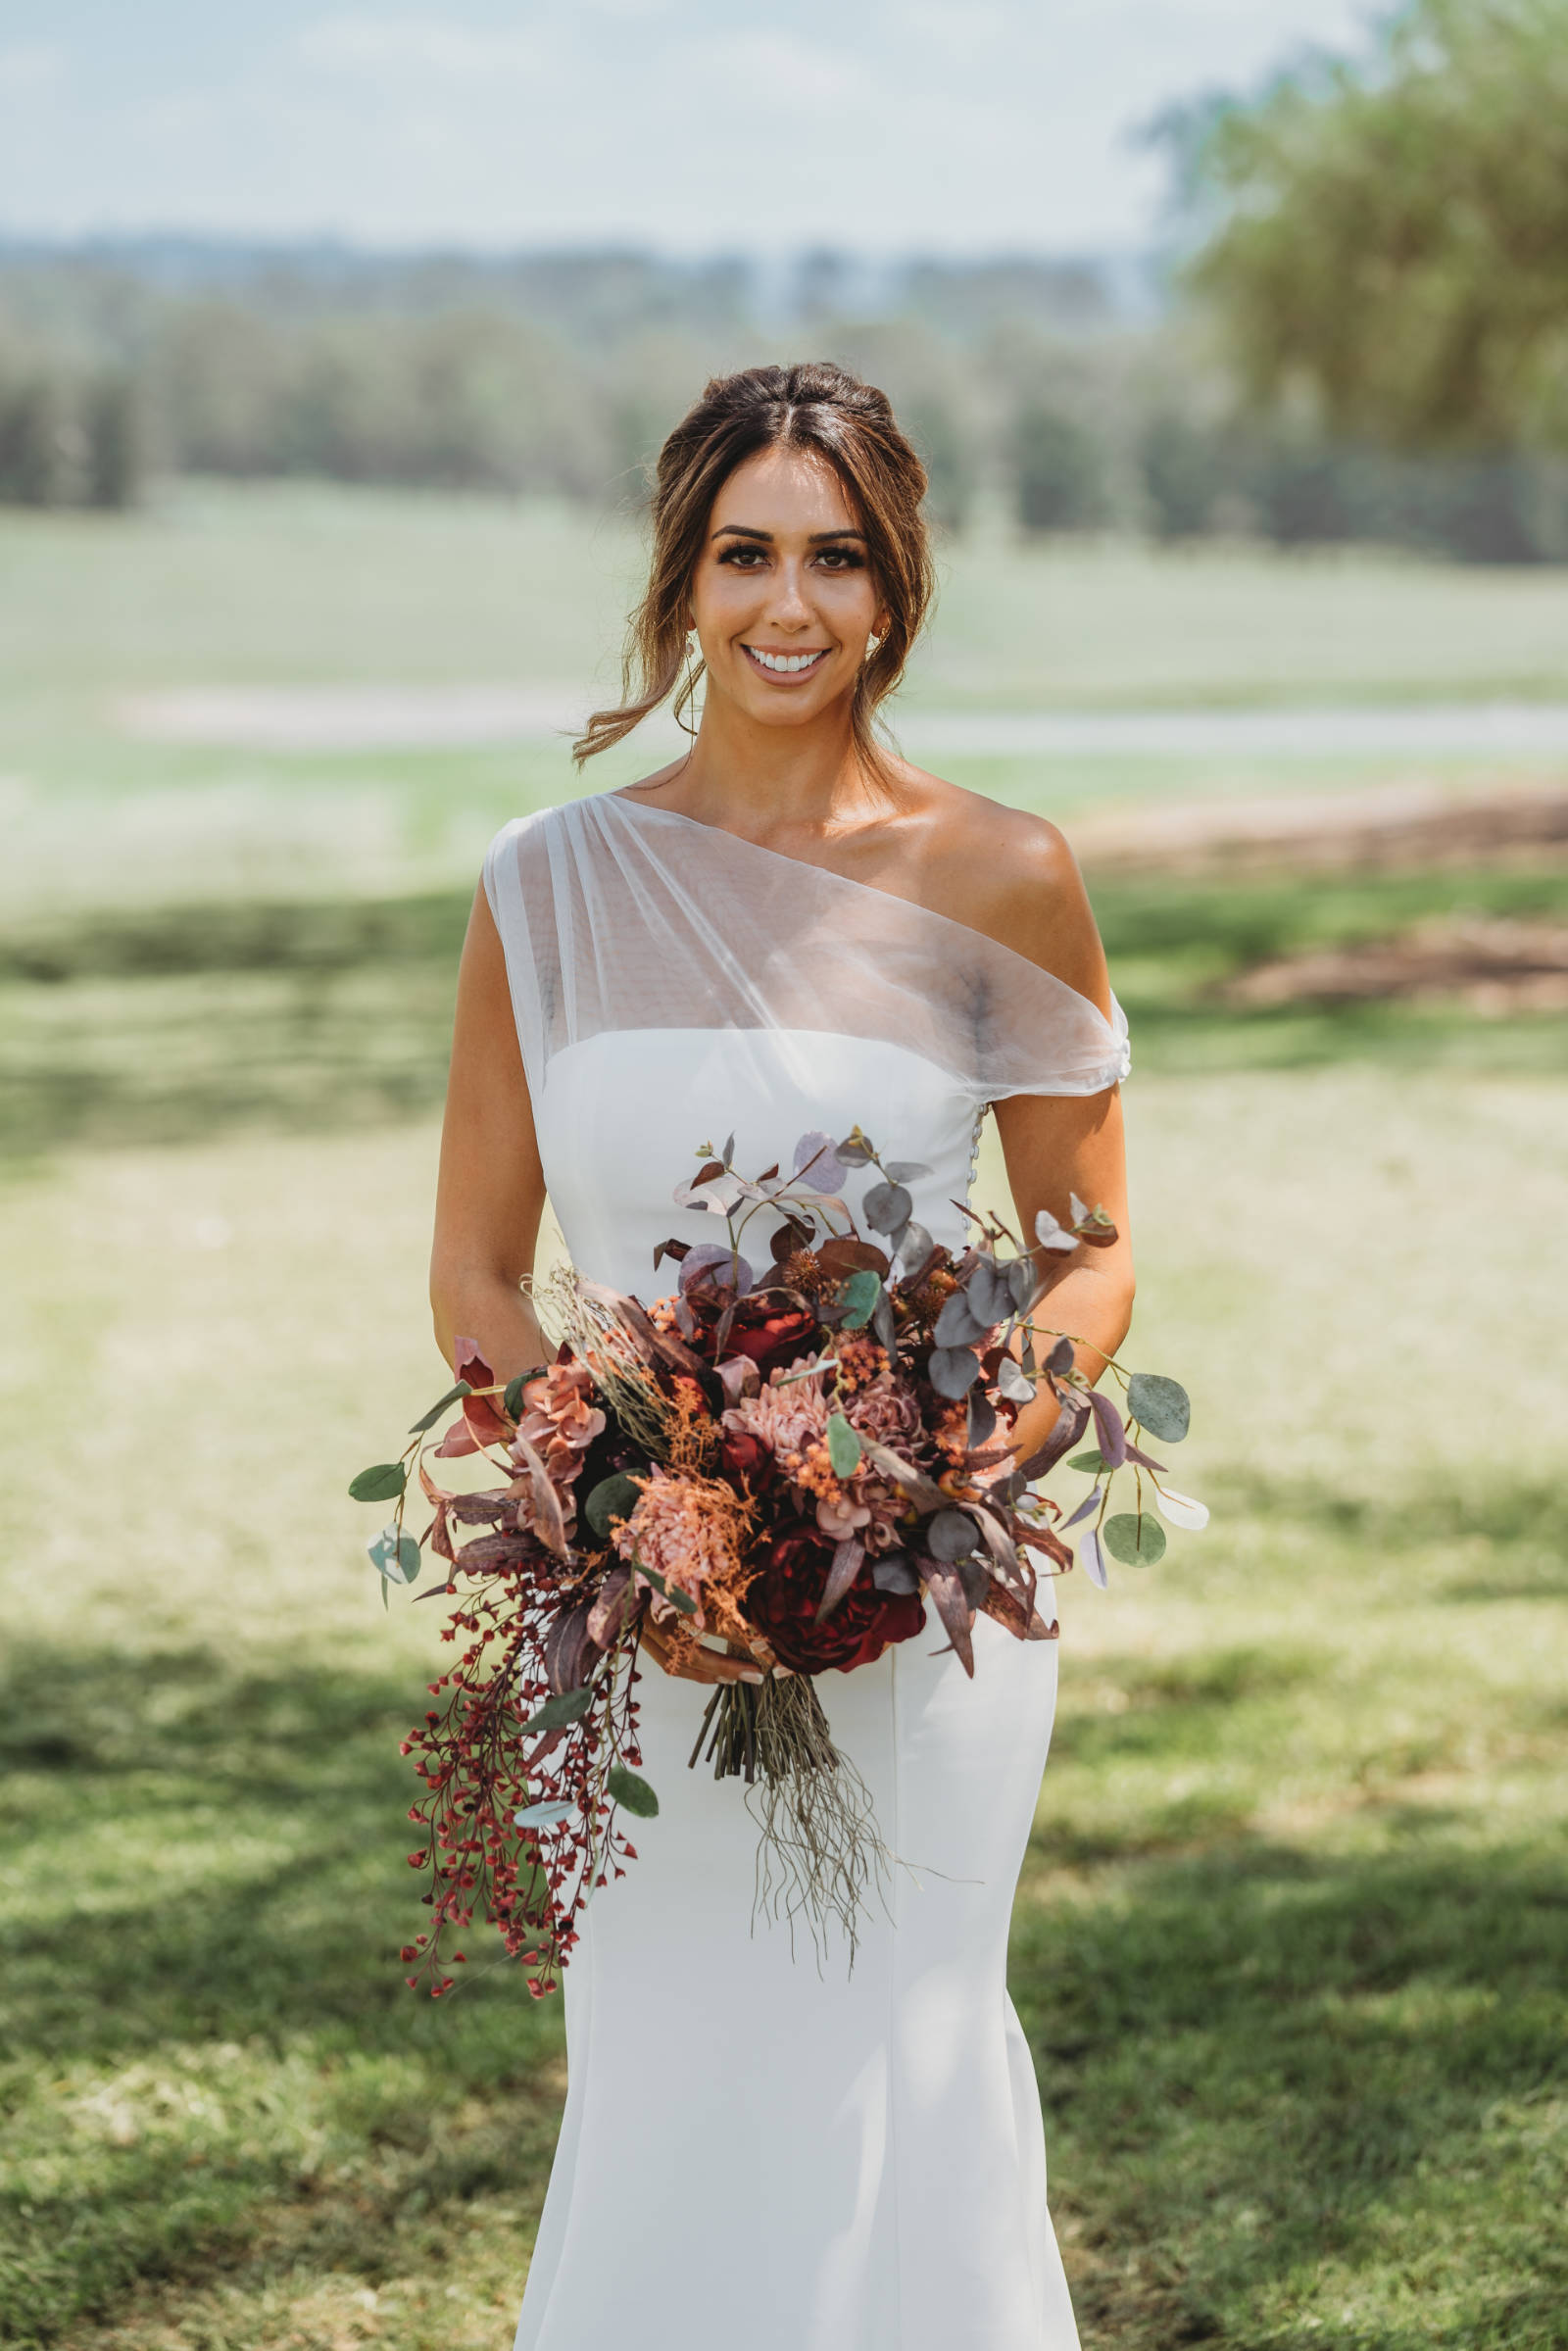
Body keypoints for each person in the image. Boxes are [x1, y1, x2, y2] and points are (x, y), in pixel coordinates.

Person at [428, 361, 1133, 2351]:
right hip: (631, 1615)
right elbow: (479, 1277)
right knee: (661, 2064)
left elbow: (1088, 1253)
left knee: (898, 2061)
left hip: (917, 1613)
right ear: (679, 583)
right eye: (743, 556)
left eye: (835, 557)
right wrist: (619, 1497)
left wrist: (968, 1453)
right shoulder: (542, 889)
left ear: (895, 588)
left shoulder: (999, 870)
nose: (787, 605)